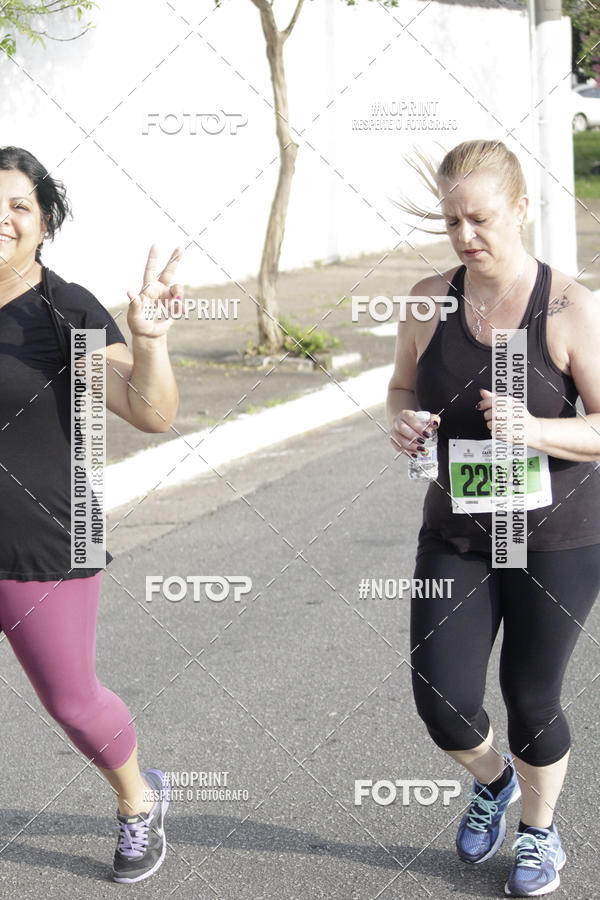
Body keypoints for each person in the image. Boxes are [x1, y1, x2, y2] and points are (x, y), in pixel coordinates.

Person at [387, 139, 600, 897]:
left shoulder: (571, 307)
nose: (466, 236)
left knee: (531, 696)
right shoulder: (427, 299)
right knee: (441, 696)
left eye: (480, 218)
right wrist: (405, 422)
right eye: (452, 222)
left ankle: (541, 836)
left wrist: (535, 430)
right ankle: (494, 781)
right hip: (459, 529)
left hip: (558, 536)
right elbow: (400, 388)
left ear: (522, 208)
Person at [0, 146, 182, 884]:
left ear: (45, 223)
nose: (1, 218)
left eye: (18, 206)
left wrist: (149, 341)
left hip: (45, 538)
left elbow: (150, 411)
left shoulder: (64, 310)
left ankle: (138, 799)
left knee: (73, 703)